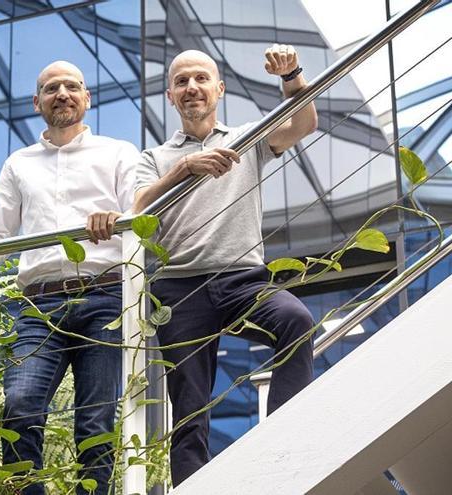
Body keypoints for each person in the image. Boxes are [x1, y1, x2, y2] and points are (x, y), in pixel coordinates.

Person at [131, 45, 319, 486]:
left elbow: (305, 123)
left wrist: (291, 75)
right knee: (190, 407)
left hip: (242, 279)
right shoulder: (154, 159)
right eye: (181, 81)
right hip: (180, 290)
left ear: (219, 88)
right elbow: (136, 211)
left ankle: (281, 442)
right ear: (170, 96)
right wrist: (184, 169)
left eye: (200, 79)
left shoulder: (247, 137)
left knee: (296, 320)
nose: (191, 87)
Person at [0, 60, 139, 495]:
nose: (62, 93)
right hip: (39, 305)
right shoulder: (19, 164)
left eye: (72, 86)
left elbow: (140, 214)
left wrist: (117, 218)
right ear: (37, 103)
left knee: (95, 420)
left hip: (105, 297)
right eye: (51, 88)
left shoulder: (118, 152)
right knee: (19, 407)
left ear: (87, 98)